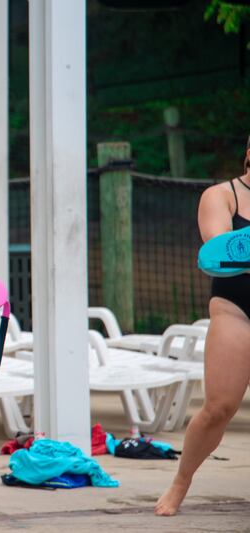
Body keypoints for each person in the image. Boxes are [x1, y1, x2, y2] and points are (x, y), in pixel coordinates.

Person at [155, 141, 250, 516]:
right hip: (235, 308)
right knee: (218, 408)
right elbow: (220, 251)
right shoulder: (222, 195)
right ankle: (181, 481)